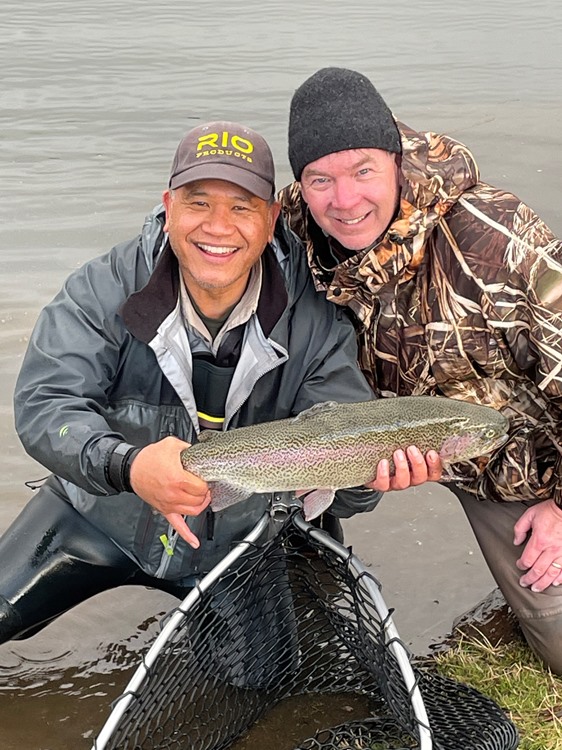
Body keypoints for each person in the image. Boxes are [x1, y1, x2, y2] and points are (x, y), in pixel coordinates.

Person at [1, 119, 438, 643]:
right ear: (169, 207)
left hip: (238, 538)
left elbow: (336, 486)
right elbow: (46, 404)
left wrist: (370, 479)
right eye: (199, 202)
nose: (217, 226)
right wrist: (130, 465)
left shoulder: (316, 320)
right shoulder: (104, 289)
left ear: (273, 217)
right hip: (97, 514)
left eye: (241, 207)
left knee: (262, 680)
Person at [280, 67, 562, 673]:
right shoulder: (291, 242)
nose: (345, 200)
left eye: (362, 172)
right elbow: (202, 239)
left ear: (396, 161)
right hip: (369, 444)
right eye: (320, 179)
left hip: (531, 468)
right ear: (300, 185)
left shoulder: (500, 241)